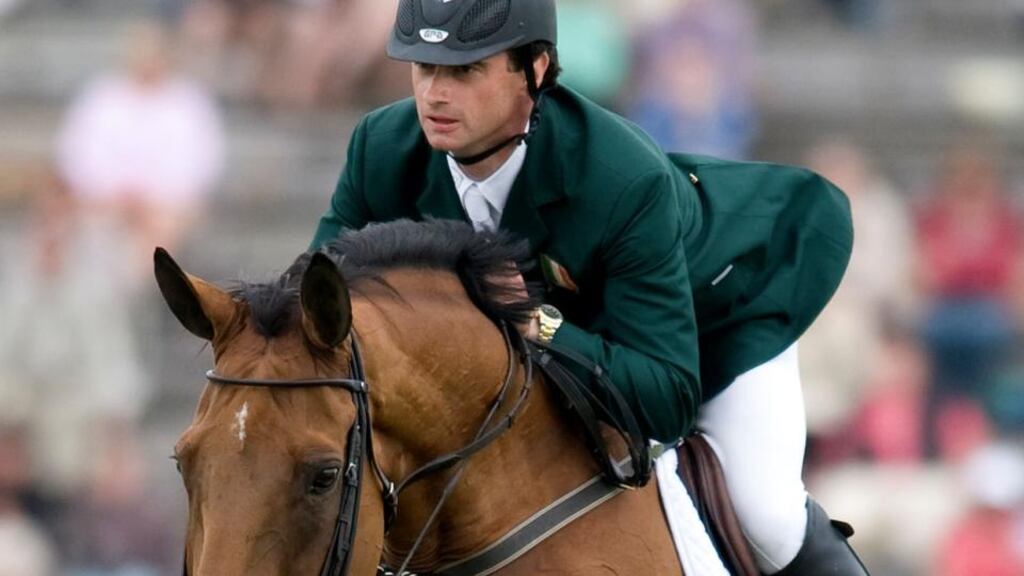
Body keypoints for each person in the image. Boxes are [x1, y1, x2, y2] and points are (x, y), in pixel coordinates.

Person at [310, 1, 866, 573]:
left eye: (464, 70)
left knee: (764, 515)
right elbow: (314, 299)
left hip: (714, 322)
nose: (433, 95)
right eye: (423, 68)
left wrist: (535, 321)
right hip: (585, 345)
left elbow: (665, 400)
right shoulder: (381, 147)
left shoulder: (622, 178)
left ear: (537, 69)